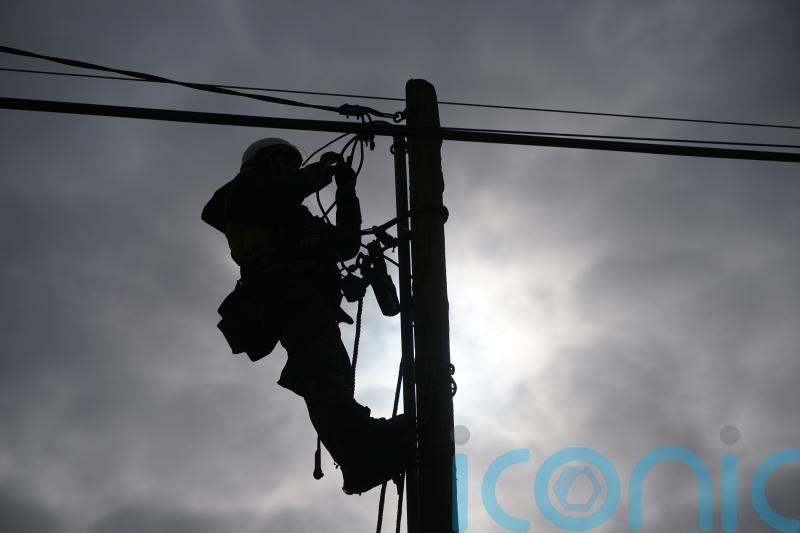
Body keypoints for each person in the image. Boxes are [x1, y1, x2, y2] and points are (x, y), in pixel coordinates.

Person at [201, 138, 413, 495]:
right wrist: (320, 172)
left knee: (329, 372)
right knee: (322, 372)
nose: (291, 169)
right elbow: (282, 190)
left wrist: (346, 192)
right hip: (284, 292)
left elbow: (344, 245)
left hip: (307, 298)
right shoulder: (243, 193)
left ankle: (359, 448)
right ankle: (358, 450)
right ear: (265, 161)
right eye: (286, 161)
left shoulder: (293, 216)